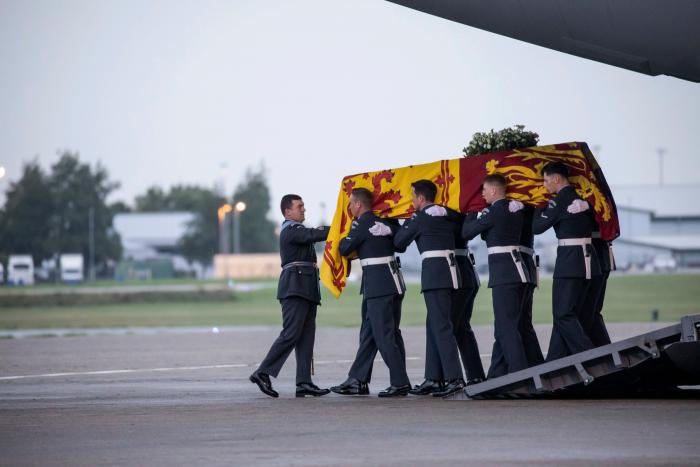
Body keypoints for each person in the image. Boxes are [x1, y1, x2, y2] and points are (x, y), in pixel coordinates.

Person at [330, 188, 411, 397]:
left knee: (384, 335)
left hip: (378, 285)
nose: (349, 207)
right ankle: (357, 379)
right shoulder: (389, 222)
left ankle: (400, 382)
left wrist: (340, 237)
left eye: (351, 203)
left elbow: (345, 249)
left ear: (358, 204)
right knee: (371, 334)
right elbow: (399, 246)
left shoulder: (362, 223)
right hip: (391, 282)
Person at [250, 194, 331, 398]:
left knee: (306, 336)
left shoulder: (296, 230)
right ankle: (262, 372)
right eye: (300, 206)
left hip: (306, 287)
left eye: (303, 206)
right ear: (288, 212)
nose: (304, 209)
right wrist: (338, 228)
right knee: (292, 333)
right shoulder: (291, 230)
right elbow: (313, 234)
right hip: (295, 288)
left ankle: (304, 381)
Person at [394, 179, 465, 398]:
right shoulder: (447, 213)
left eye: (413, 196)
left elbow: (399, 243)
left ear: (421, 198)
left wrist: (400, 223)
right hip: (452, 271)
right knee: (434, 324)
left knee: (441, 326)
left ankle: (454, 378)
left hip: (435, 275)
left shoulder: (420, 218)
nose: (411, 199)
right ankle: (433, 378)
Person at [462, 174, 530, 378]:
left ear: (493, 190)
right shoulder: (514, 209)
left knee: (506, 327)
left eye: (484, 190)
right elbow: (487, 233)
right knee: (503, 326)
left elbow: (467, 233)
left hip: (505, 274)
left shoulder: (494, 212)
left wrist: (473, 210)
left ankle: (520, 374)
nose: (482, 194)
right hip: (518, 270)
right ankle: (496, 374)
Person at [532, 162, 599, 360]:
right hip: (589, 261)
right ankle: (554, 363)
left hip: (570, 263)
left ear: (556, 179)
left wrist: (537, 205)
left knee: (563, 314)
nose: (544, 185)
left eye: (545, 180)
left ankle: (590, 356)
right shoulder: (586, 198)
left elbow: (537, 227)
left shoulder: (560, 201)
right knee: (569, 314)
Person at [447, 207, 486, 384]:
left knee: (448, 328)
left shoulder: (453, 213)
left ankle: (446, 377)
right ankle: (475, 374)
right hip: (466, 271)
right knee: (461, 327)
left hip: (460, 274)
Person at [517, 204, 546, 366]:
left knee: (513, 323)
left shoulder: (518, 209)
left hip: (518, 266)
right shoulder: (530, 207)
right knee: (523, 322)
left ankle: (521, 368)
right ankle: (535, 363)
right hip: (527, 265)